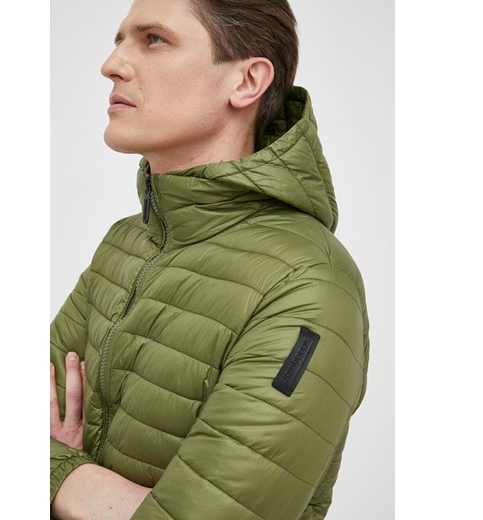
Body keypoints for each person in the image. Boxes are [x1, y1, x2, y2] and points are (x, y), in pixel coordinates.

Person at [50, 0, 370, 518]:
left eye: (154, 39)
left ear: (247, 81)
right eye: (119, 40)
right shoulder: (126, 243)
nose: (111, 65)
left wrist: (60, 473)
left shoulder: (307, 284)